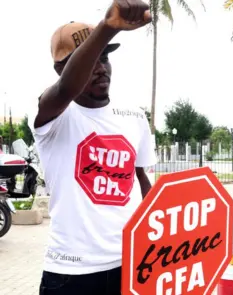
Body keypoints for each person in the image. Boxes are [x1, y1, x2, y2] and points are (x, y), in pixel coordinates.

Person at [31, 1, 156, 295]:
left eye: (105, 59)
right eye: (90, 60)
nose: (100, 69)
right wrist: (106, 28)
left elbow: (141, 181)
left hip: (130, 263)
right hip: (72, 274)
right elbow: (65, 90)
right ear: (62, 68)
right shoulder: (52, 116)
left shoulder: (134, 117)